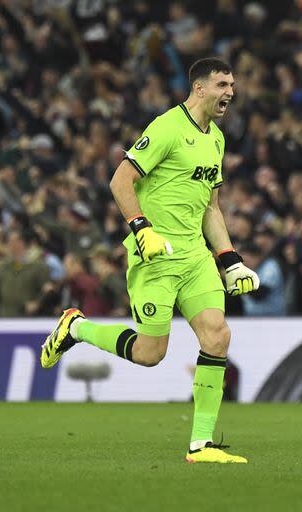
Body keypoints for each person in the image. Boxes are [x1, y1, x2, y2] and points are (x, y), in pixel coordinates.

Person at [39, 58, 258, 464]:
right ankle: (77, 327)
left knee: (218, 336)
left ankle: (201, 445)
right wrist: (142, 229)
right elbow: (120, 179)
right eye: (223, 84)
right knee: (149, 353)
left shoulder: (217, 139)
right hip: (155, 255)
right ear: (199, 88)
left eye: (232, 84)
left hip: (194, 257)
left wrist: (230, 260)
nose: (231, 91)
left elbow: (212, 207)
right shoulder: (166, 128)